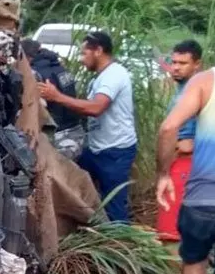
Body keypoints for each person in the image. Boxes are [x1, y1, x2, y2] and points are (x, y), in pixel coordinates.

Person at [156, 20, 215, 274]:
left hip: (203, 197)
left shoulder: (205, 80)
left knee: (194, 261)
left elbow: (168, 127)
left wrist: (162, 175)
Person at [37, 31, 137, 223]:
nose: (82, 60)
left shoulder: (113, 75)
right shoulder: (99, 78)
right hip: (97, 149)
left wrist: (57, 96)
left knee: (114, 204)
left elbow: (96, 108)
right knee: (75, 180)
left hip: (115, 151)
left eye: (84, 54)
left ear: (98, 50)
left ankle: (120, 244)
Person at [155, 40, 202, 244]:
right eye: (173, 62)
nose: (175, 68)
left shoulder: (197, 89)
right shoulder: (182, 89)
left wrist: (183, 145)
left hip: (185, 162)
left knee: (170, 229)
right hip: (177, 160)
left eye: (182, 63)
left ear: (197, 64)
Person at [21, 38, 84, 159]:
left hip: (58, 139)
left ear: (26, 57)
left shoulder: (34, 74)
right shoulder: (61, 68)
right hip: (76, 134)